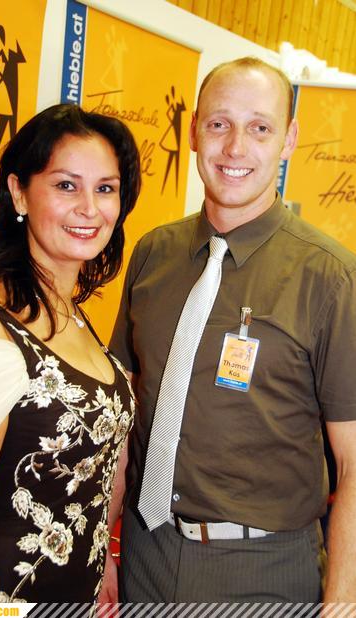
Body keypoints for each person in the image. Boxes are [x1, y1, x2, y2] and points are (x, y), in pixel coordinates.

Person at [108, 57, 356, 604]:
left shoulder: (332, 278)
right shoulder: (153, 254)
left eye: (259, 127)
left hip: (264, 573)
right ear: (194, 131)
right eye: (219, 124)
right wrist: (102, 549)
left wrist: (342, 603)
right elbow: (124, 417)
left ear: (288, 140)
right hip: (145, 557)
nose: (235, 147)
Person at [0, 103, 141, 603]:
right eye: (66, 185)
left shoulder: (74, 315)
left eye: (105, 189)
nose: (89, 208)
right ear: (19, 192)